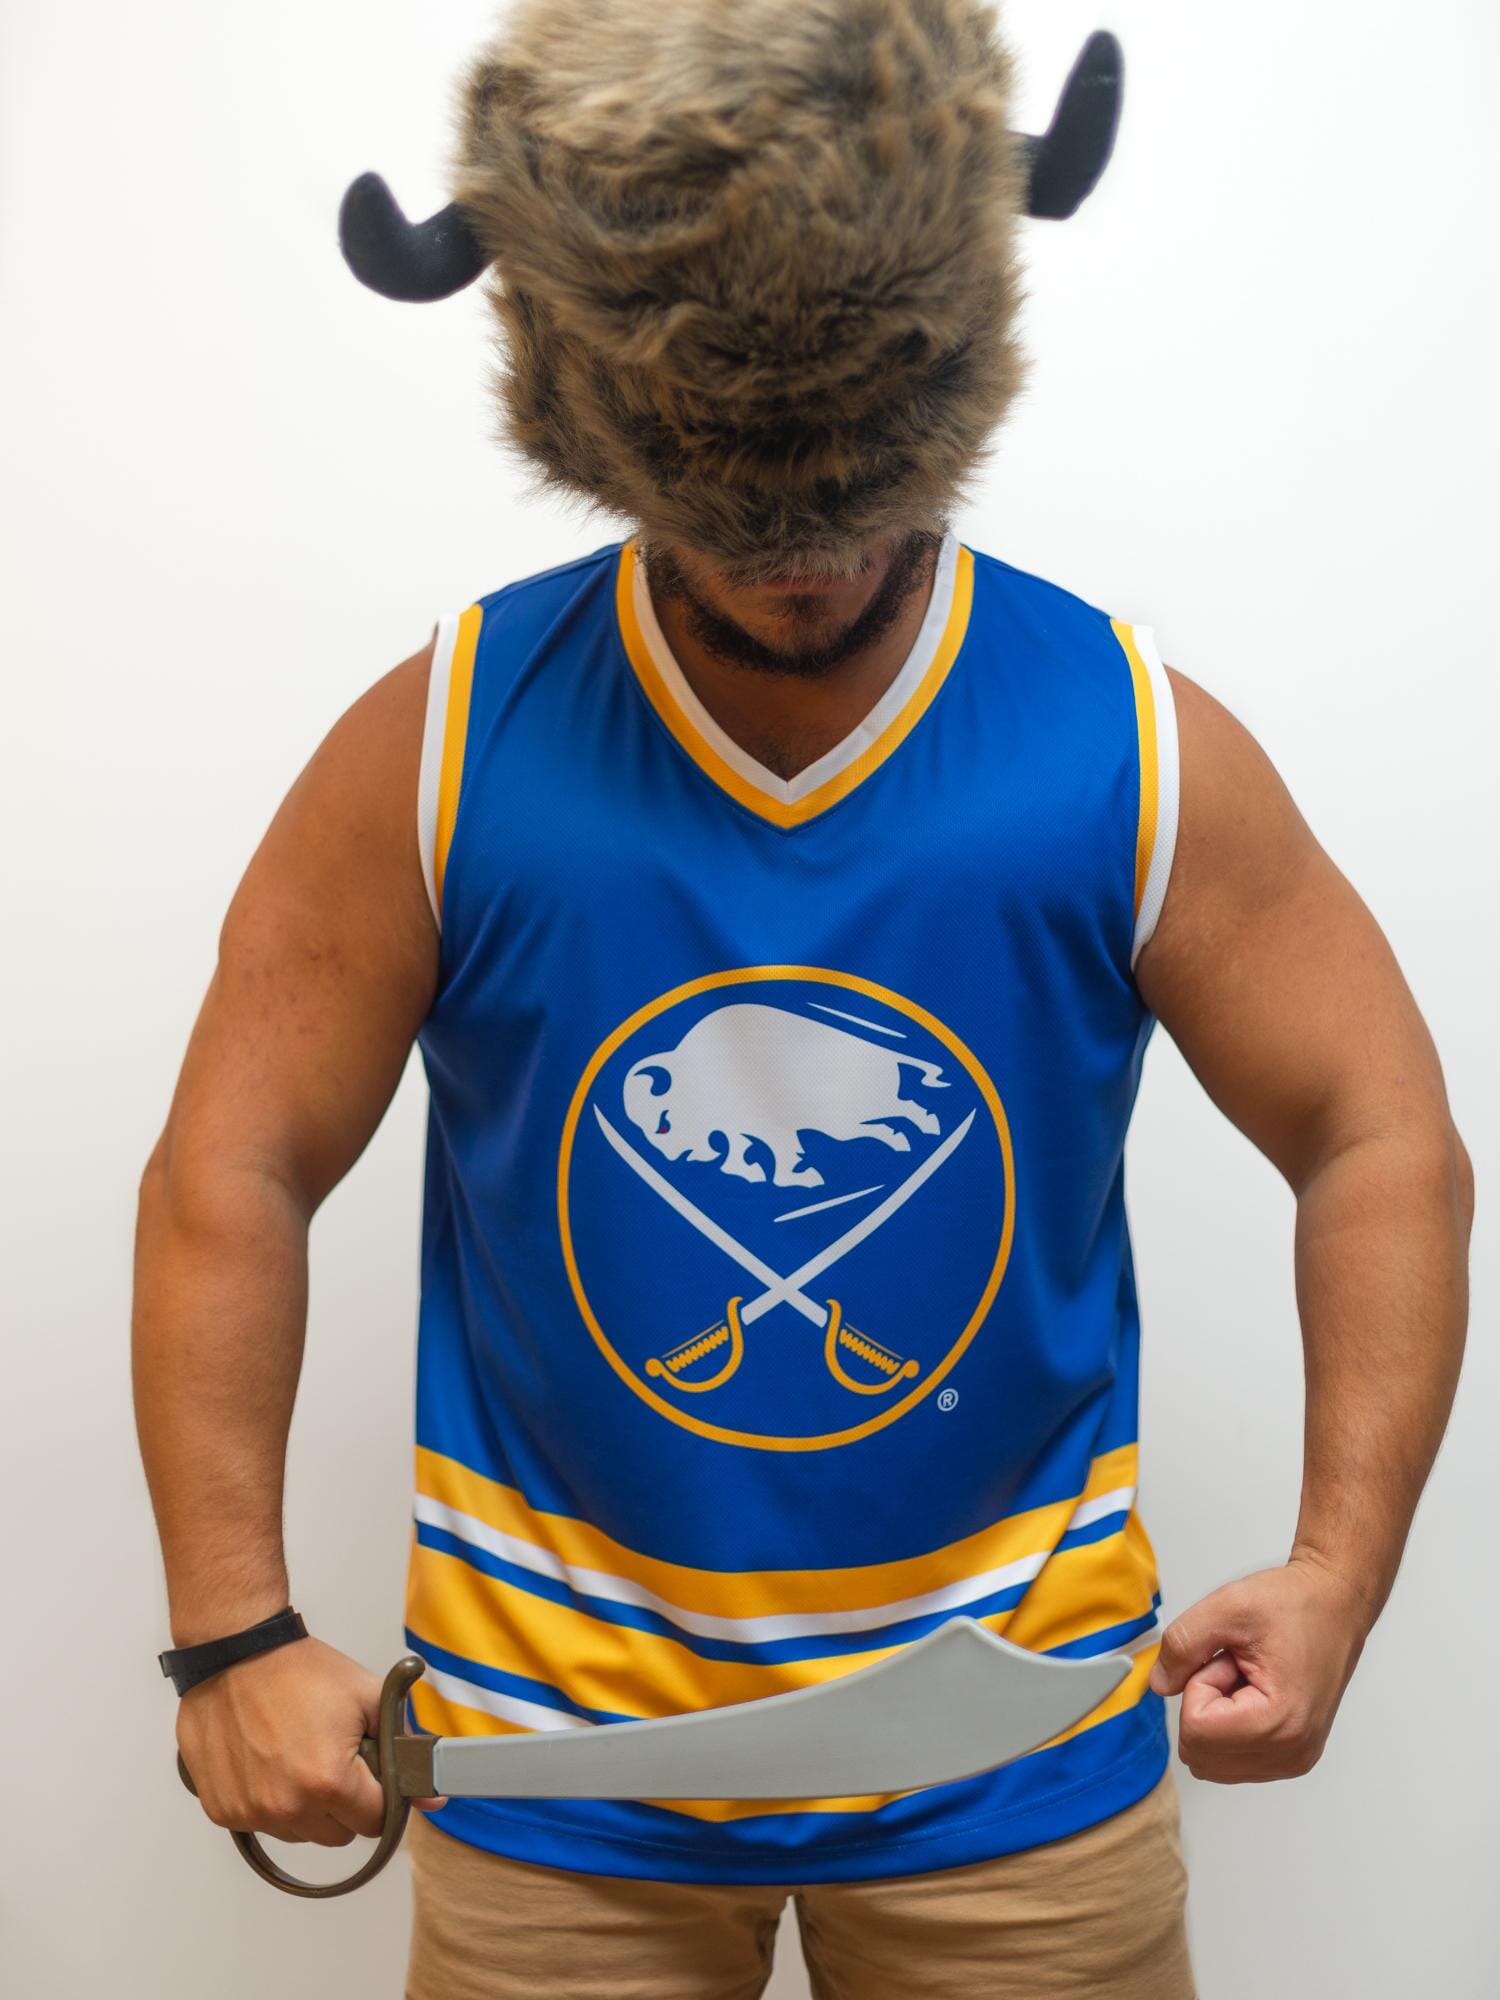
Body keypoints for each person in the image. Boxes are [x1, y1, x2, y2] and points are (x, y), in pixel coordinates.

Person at [132, 4, 1472, 1995]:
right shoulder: (444, 744)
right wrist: (231, 1632)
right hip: (554, 1775)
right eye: (737, 518)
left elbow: (1380, 1131)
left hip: (1017, 1763)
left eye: (845, 503)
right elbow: (227, 1169)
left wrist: (1341, 1571)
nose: (801, 569)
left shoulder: (1120, 740)